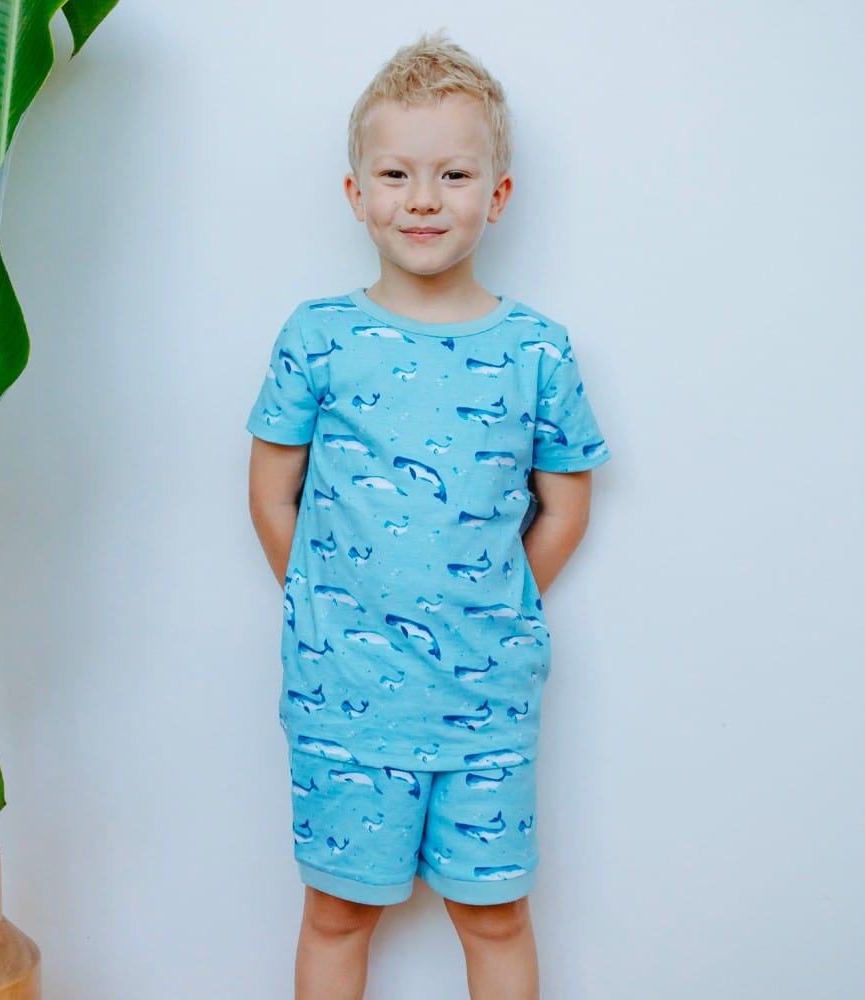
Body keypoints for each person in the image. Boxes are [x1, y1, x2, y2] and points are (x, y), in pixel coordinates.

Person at [247, 33, 610, 1000]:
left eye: (453, 174)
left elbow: (566, 501)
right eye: (396, 173)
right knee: (336, 914)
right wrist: (326, 605)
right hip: (343, 696)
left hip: (489, 700)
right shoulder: (318, 336)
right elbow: (271, 492)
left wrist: (495, 604)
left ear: (497, 194)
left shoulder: (537, 350)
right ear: (355, 191)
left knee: (494, 916)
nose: (422, 199)